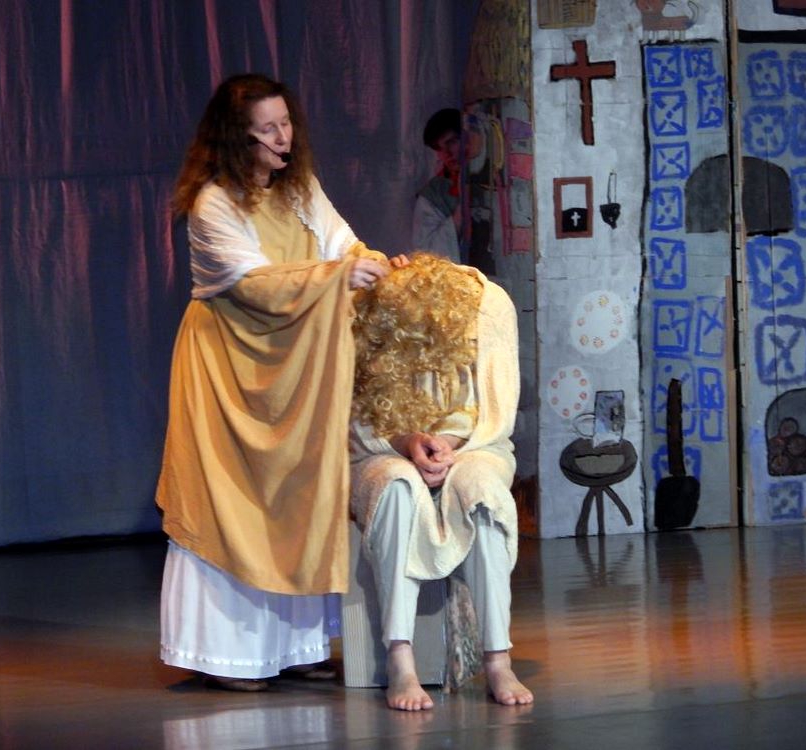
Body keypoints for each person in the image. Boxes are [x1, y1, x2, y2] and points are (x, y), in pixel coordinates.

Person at [155, 73, 392, 692]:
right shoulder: (213, 204)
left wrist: (370, 264)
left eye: (286, 123)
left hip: (294, 374)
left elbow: (344, 244)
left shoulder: (299, 190)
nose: (283, 138)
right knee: (230, 504)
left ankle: (296, 648)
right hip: (228, 372)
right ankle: (225, 657)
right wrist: (337, 277)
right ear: (238, 137)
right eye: (267, 129)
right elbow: (255, 284)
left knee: (296, 496)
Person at [348, 253, 533, 711]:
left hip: (475, 444)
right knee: (395, 486)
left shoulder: (488, 309)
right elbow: (359, 418)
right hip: (384, 450)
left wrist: (447, 444)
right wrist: (409, 441)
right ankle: (400, 657)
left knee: (481, 490)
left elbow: (495, 409)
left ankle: (498, 657)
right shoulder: (367, 312)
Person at [411, 109, 463, 262]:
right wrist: (459, 218)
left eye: (451, 142)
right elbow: (425, 255)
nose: (446, 153)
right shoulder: (432, 196)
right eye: (439, 149)